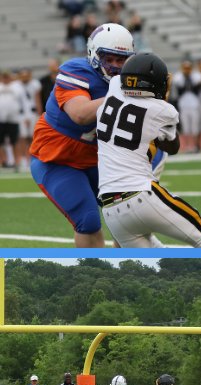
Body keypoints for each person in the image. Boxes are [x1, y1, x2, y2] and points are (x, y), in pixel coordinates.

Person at [96, 53, 201, 247]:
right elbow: (173, 147)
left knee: (156, 267)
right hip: (142, 195)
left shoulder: (114, 87)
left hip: (110, 209)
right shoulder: (163, 110)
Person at [30, 23, 134, 246]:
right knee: (87, 220)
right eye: (109, 59)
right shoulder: (77, 71)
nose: (115, 66)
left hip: (99, 159)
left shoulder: (131, 81)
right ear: (94, 54)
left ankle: (123, 264)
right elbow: (80, 114)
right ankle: (94, 271)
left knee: (129, 213)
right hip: (57, 159)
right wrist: (126, 96)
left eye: (121, 59)